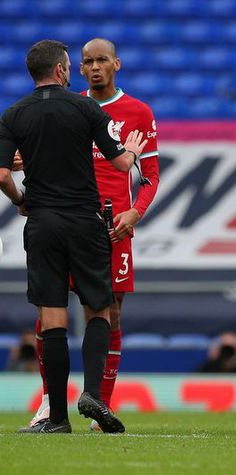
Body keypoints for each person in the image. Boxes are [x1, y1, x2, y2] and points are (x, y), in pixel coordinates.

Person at [0, 40, 147, 434]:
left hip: (42, 223)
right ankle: (94, 394)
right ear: (64, 71)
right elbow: (118, 162)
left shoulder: (13, 114)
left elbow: (1, 174)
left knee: (50, 319)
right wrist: (131, 152)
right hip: (86, 221)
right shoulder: (86, 109)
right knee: (100, 310)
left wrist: (21, 201)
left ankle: (57, 418)